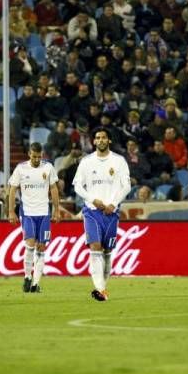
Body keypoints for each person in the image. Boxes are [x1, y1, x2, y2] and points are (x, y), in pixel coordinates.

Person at [73, 128, 131, 302]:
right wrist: (93, 199)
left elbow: (126, 186)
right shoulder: (86, 162)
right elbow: (77, 186)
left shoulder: (119, 161)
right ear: (94, 141)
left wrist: (113, 203)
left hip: (111, 212)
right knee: (95, 246)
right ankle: (99, 289)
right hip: (92, 211)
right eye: (97, 138)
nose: (100, 140)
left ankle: (103, 287)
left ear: (109, 141)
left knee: (107, 251)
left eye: (104, 137)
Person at [8, 142, 60, 293]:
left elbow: (54, 189)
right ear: (29, 154)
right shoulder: (21, 168)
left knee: (42, 248)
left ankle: (36, 284)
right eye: (34, 156)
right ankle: (27, 276)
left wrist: (56, 210)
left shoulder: (48, 167)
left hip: (44, 213)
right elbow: (12, 190)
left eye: (39, 156)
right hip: (28, 212)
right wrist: (11, 211)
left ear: (42, 155)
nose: (37, 159)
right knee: (30, 245)